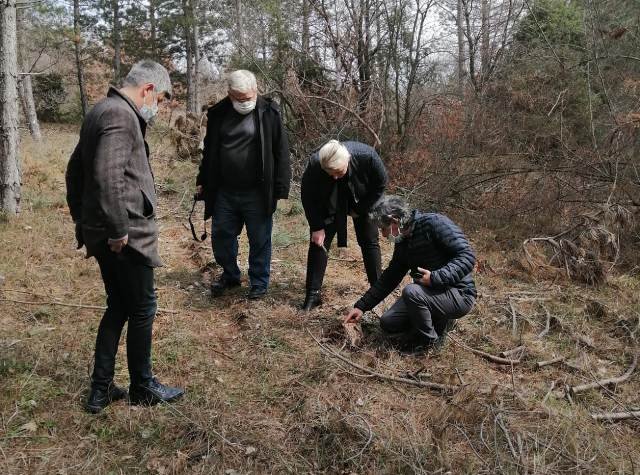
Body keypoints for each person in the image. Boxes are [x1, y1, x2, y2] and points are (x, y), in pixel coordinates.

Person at [66, 60, 184, 413]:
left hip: (104, 230)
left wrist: (84, 221)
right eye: (160, 100)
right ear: (147, 89)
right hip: (124, 235)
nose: (158, 108)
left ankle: (100, 390)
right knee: (143, 308)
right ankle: (143, 386)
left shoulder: (101, 110)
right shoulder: (119, 115)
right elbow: (107, 177)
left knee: (118, 305)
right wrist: (117, 231)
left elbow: (74, 172)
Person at [195, 70, 291, 299]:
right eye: (240, 98)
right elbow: (209, 152)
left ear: (256, 91)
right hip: (225, 191)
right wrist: (202, 181)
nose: (246, 102)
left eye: (250, 97)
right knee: (222, 236)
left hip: (257, 192)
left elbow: (281, 151)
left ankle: (259, 283)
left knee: (260, 239)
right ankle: (230, 275)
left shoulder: (269, 112)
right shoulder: (218, 114)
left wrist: (280, 188)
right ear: (230, 95)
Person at [344, 195, 476, 353]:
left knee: (411, 291)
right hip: (428, 293)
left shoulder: (435, 223)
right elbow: (390, 277)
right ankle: (434, 319)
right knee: (388, 322)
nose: (384, 235)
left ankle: (430, 344)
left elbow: (467, 256)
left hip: (459, 293)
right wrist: (361, 307)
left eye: (383, 229)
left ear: (394, 220)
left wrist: (435, 278)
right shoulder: (403, 242)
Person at [301, 140, 388, 311]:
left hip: (362, 198)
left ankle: (377, 291)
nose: (334, 176)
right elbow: (307, 196)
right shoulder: (315, 164)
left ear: (347, 160)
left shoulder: (368, 156)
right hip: (329, 201)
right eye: (330, 173)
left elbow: (380, 184)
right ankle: (312, 294)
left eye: (338, 172)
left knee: (369, 241)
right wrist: (317, 226)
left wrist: (362, 208)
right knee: (318, 243)